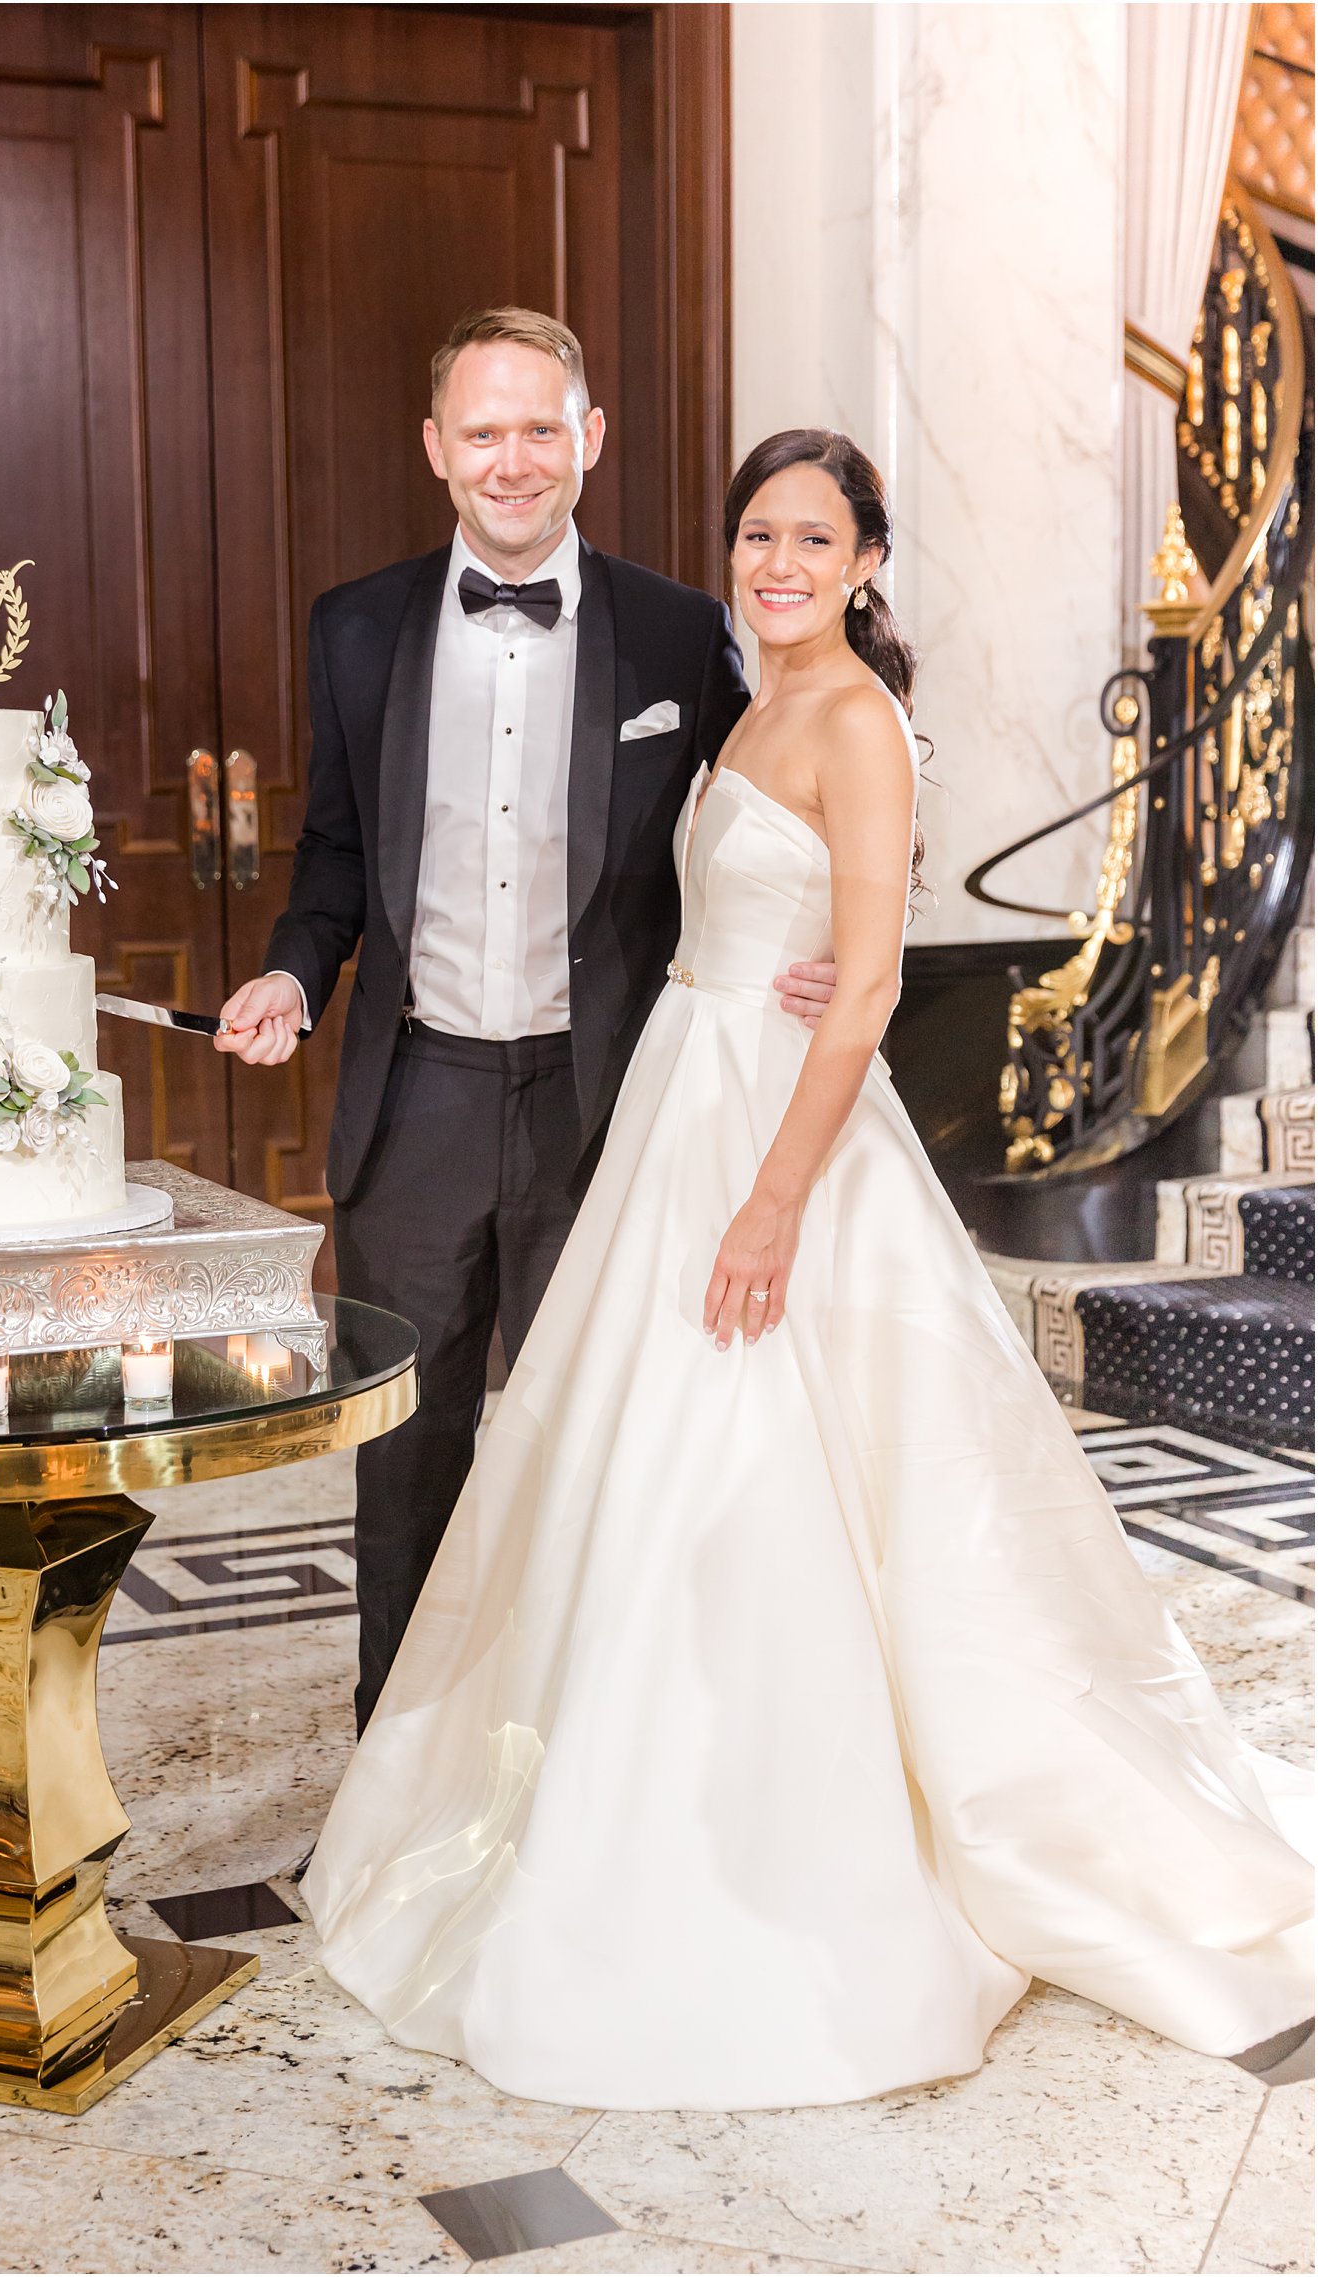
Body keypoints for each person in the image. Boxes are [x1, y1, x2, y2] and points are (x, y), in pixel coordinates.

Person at [301, 428, 1313, 2111]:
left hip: (777, 1144)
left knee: (768, 1469)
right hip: (678, 1102)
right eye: (757, 533)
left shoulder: (856, 716)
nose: (778, 562)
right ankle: (590, 1795)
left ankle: (769, 1840)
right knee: (628, 1468)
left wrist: (774, 1202)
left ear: (867, 558)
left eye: (813, 538)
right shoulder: (747, 696)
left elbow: (861, 993)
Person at [216, 309, 834, 1733]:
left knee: (603, 1449)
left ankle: (585, 1777)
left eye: (540, 428)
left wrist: (830, 935)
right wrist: (295, 975)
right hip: (417, 1098)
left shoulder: (687, 629)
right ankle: (395, 1778)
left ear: (589, 440)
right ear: (437, 450)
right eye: (483, 431)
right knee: (409, 1457)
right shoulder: (356, 627)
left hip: (609, 1101)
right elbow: (332, 858)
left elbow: (799, 775)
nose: (513, 460)